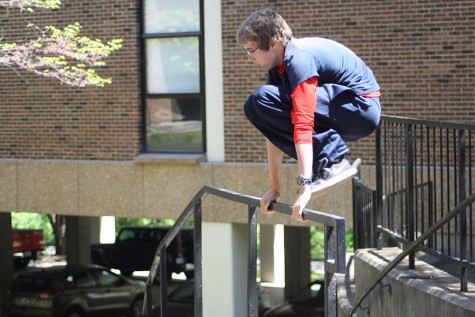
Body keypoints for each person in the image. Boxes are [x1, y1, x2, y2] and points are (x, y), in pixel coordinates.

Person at [236, 8, 381, 222]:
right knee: (254, 106)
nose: (249, 58)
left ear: (273, 41)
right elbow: (273, 130)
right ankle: (328, 162)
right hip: (341, 109)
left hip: (360, 108)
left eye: (251, 50)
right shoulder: (277, 69)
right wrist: (274, 187)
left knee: (263, 98)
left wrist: (305, 187)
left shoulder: (299, 58)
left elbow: (303, 123)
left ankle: (333, 163)